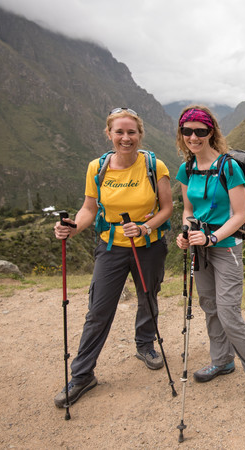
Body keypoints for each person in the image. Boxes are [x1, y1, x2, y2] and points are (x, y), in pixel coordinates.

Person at [52, 107, 173, 408]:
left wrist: (144, 227)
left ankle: (145, 345)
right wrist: (73, 227)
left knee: (148, 297)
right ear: (109, 134)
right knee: (98, 310)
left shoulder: (155, 166)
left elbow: (167, 209)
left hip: (149, 245)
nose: (125, 137)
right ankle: (82, 375)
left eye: (131, 132)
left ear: (139, 134)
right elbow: (89, 209)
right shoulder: (98, 167)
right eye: (119, 132)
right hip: (111, 247)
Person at [174, 106, 245, 412]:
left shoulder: (227, 167)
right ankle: (222, 362)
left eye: (200, 131)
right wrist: (186, 231)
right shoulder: (186, 170)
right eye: (187, 131)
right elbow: (189, 210)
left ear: (211, 133)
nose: (194, 137)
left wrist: (213, 237)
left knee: (229, 312)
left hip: (226, 247)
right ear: (181, 134)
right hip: (199, 247)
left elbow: (241, 214)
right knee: (209, 306)